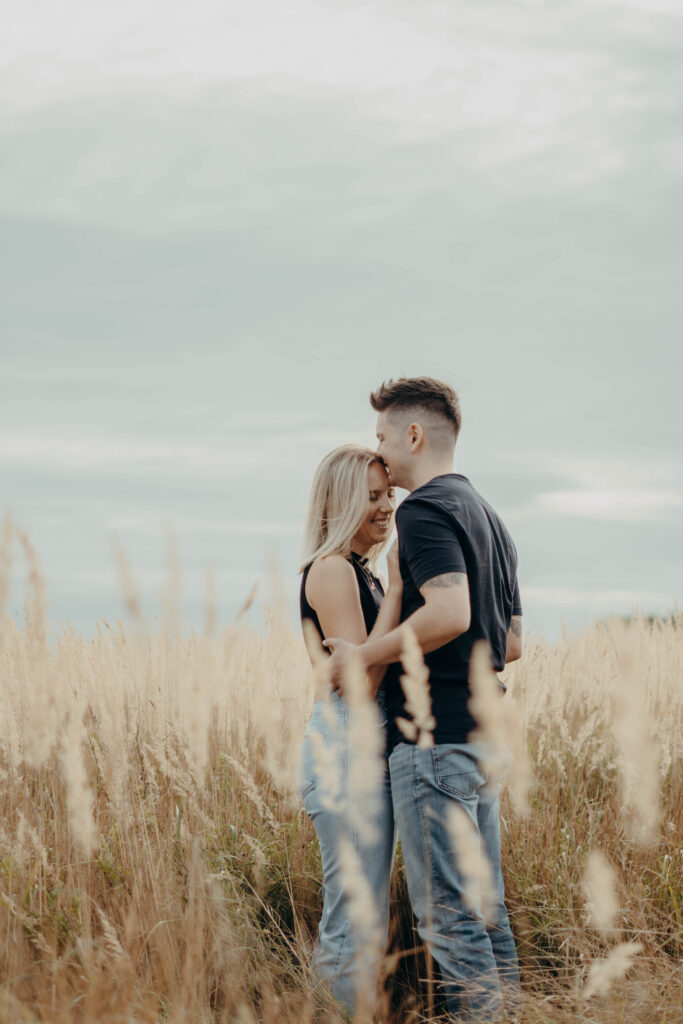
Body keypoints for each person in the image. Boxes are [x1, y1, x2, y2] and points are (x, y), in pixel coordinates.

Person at [324, 377, 523, 1023]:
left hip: (434, 740)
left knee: (448, 919)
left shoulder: (423, 510)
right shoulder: (488, 516)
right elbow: (510, 642)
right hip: (484, 738)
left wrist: (362, 656)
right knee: (485, 910)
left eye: (382, 437)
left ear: (413, 434)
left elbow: (450, 612)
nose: (377, 451)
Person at [297, 443, 402, 1013]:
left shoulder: (359, 571)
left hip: (359, 751)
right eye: (371, 498)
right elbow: (360, 684)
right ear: (340, 504)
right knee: (353, 921)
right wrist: (401, 593)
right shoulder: (334, 570)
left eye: (389, 494)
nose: (386, 507)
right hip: (345, 749)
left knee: (364, 919)